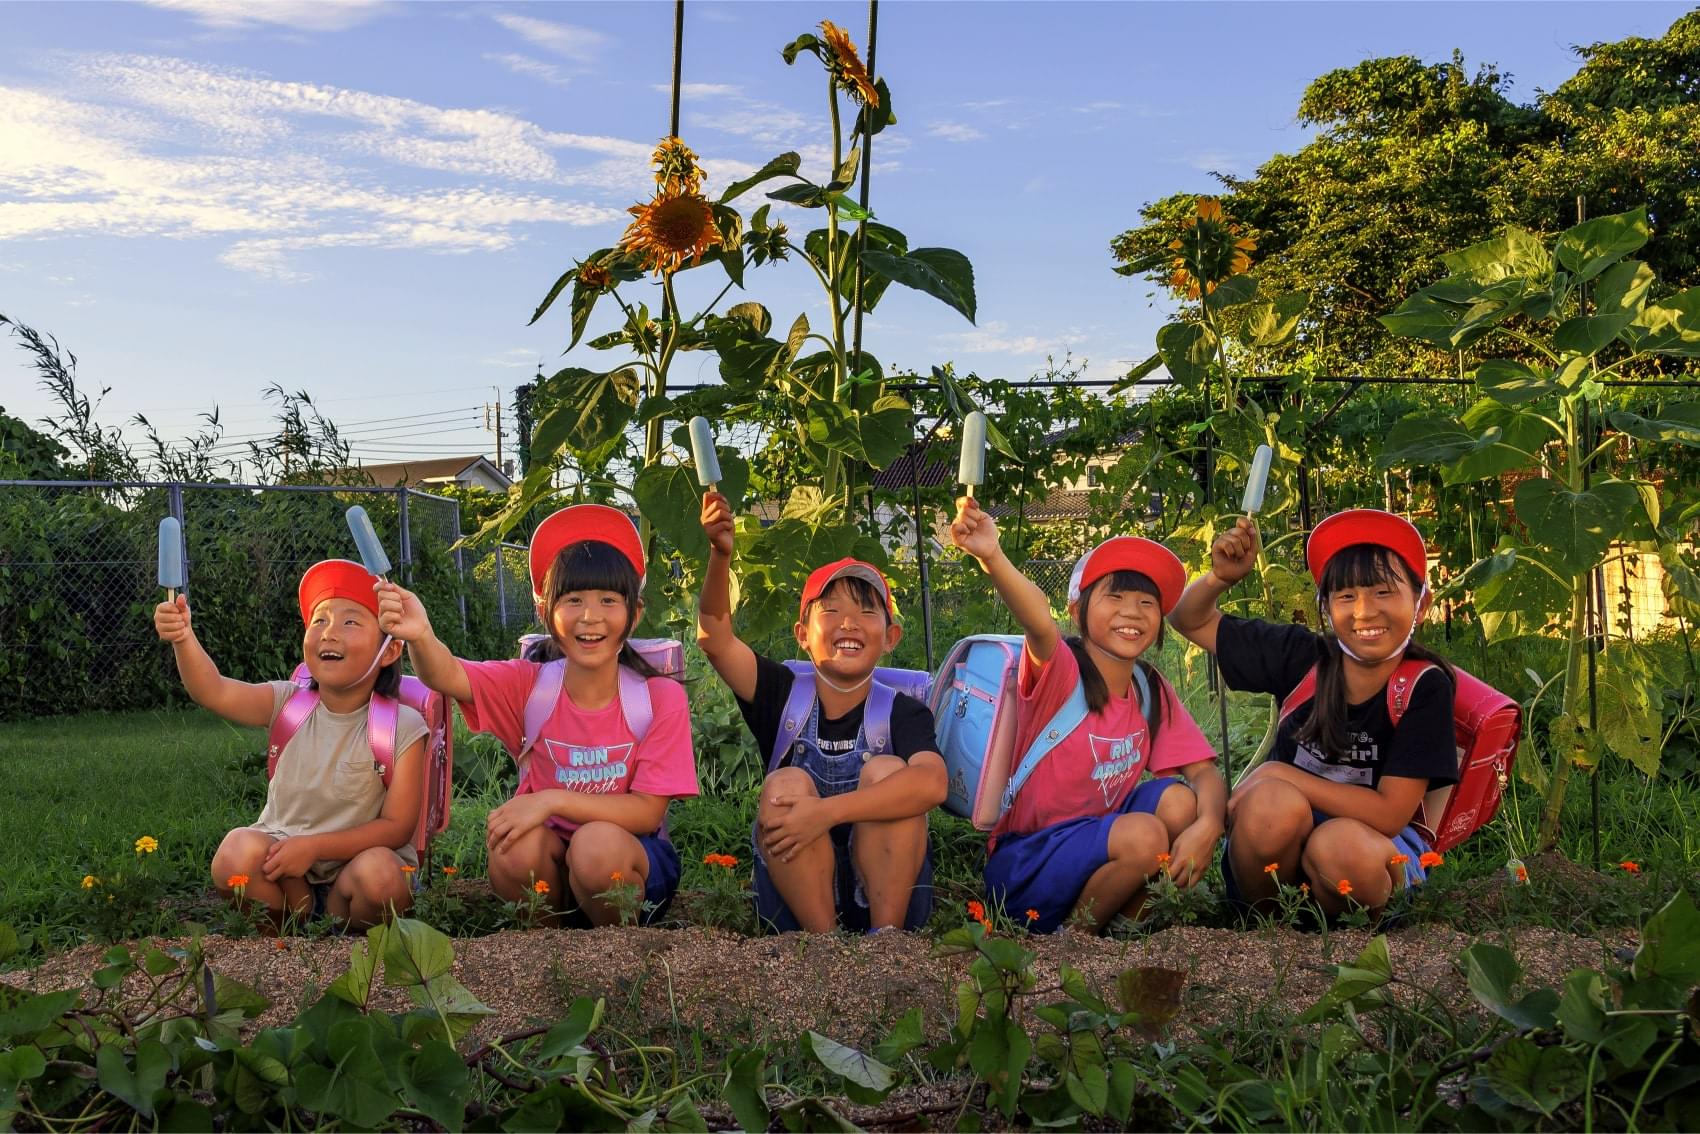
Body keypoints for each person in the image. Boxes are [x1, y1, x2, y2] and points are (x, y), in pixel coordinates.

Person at [377, 505, 698, 926]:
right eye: (573, 600)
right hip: (552, 859)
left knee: (594, 846)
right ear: (546, 610)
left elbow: (647, 813)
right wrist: (420, 635)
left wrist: (550, 800)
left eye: (608, 600)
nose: (591, 616)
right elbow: (447, 674)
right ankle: (547, 946)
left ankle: (616, 947)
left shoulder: (659, 699)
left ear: (633, 613)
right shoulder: (528, 687)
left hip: (630, 856)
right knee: (514, 847)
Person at [950, 499, 1225, 933]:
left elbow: (1204, 773)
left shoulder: (1147, 688)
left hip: (1101, 844)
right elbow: (1039, 622)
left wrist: (1210, 825)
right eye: (1114, 596)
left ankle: (1126, 928)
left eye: (1146, 602)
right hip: (1027, 863)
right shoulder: (1061, 673)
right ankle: (1076, 937)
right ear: (1078, 610)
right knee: (1145, 836)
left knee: (1181, 802)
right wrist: (992, 555)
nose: (1132, 612)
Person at [1168, 509, 1456, 914]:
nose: (1364, 611)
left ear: (1421, 603)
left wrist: (1282, 773)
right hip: (1280, 854)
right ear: (1326, 606)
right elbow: (1187, 618)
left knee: (1339, 846)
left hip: (1370, 850)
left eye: (1383, 592)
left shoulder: (1424, 687)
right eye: (1346, 596)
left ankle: (1351, 935)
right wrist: (1221, 578)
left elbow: (1391, 814)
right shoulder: (1301, 655)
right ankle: (1269, 929)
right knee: (1270, 806)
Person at [697, 490, 947, 933]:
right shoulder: (780, 692)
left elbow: (932, 782)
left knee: (890, 772)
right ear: (802, 634)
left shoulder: (903, 711)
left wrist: (828, 813)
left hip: (889, 890)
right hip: (795, 894)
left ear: (890, 637)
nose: (848, 623)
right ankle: (822, 952)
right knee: (786, 783)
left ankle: (886, 947)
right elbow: (714, 638)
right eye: (831, 611)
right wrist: (720, 554)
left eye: (866, 612)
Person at [154, 559, 422, 929]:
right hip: (287, 874)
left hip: (356, 872)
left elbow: (397, 827)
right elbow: (213, 691)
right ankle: (288, 940)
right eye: (319, 620)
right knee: (236, 852)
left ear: (389, 652)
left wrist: (313, 847)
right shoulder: (287, 703)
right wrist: (183, 638)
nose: (329, 633)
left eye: (350, 622)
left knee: (383, 878)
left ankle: (353, 941)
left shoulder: (401, 726)